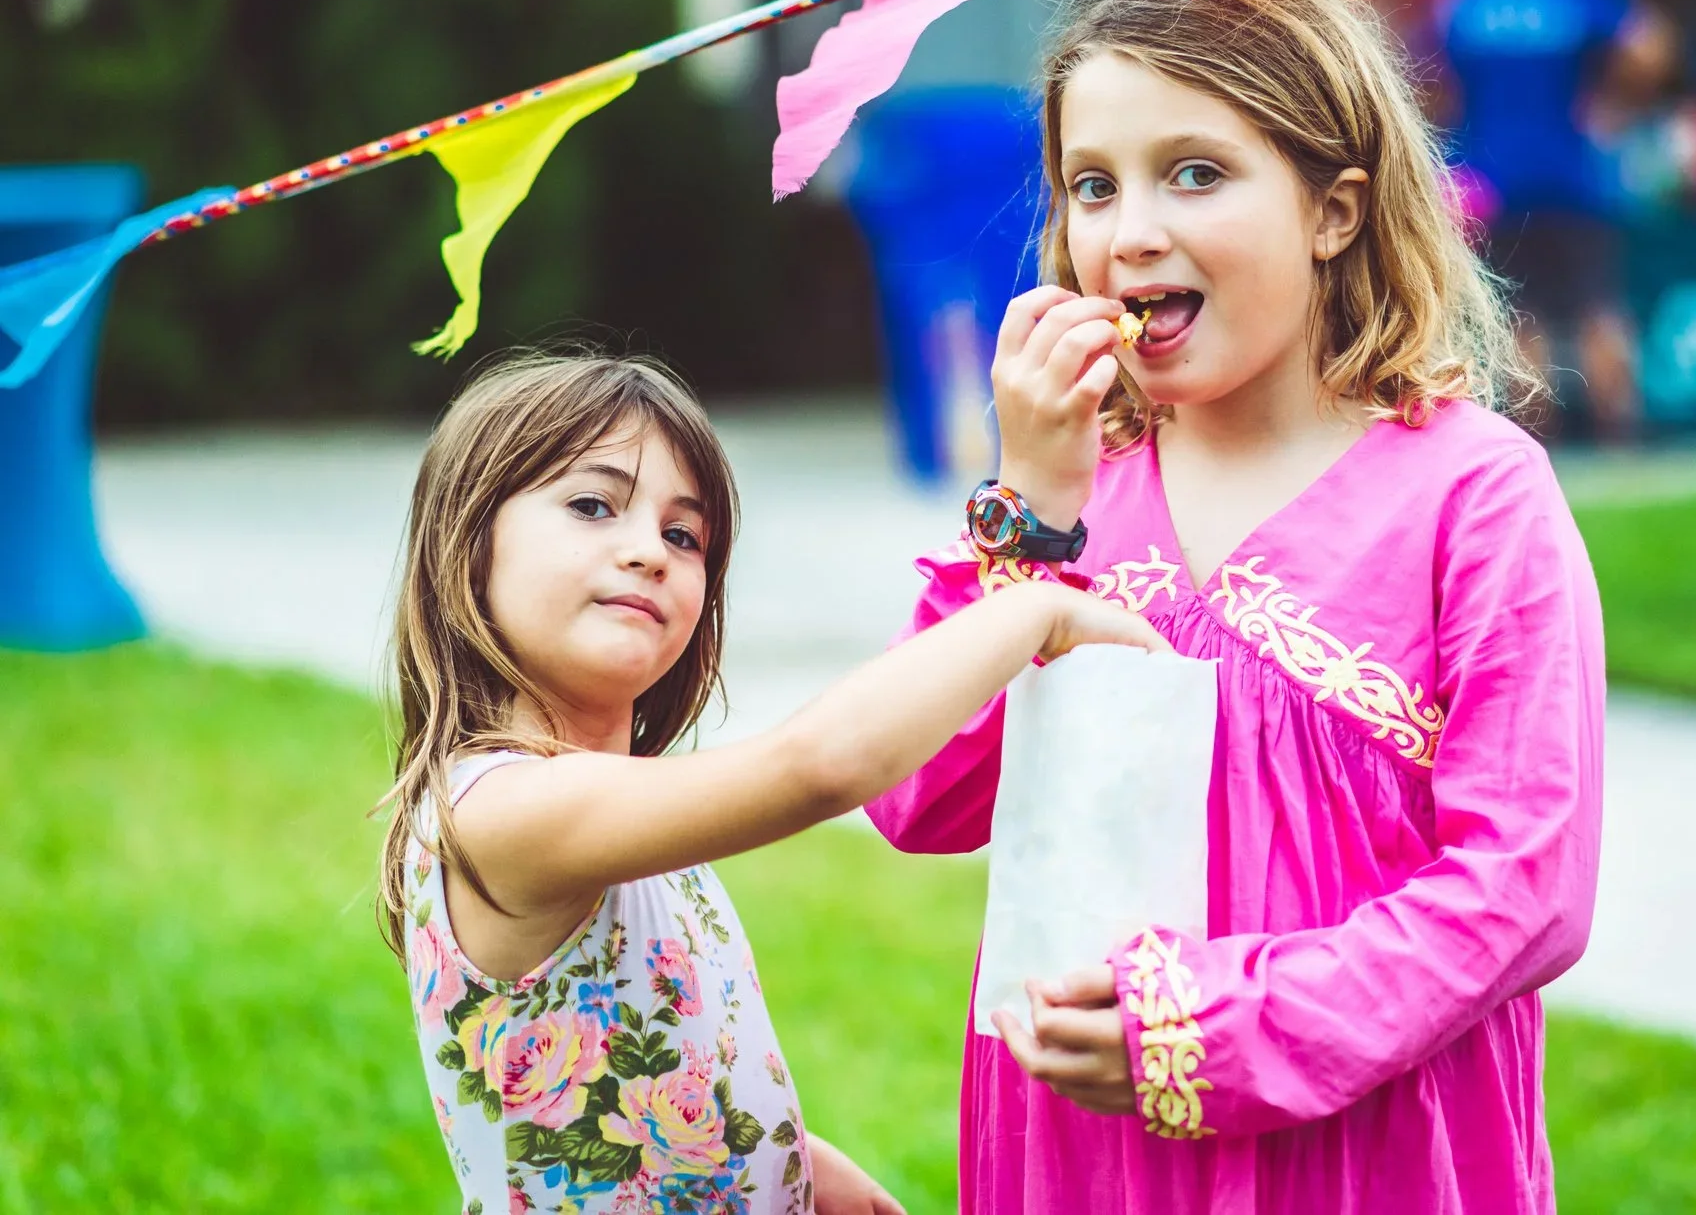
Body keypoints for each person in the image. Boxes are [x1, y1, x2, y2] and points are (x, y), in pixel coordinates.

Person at [866, 0, 1606, 1214]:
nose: (1130, 230)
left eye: (1194, 172)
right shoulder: (1070, 495)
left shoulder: (1470, 495)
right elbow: (918, 796)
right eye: (1089, 186)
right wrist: (1026, 514)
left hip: (1363, 1151)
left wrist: (1217, 1030)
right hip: (1087, 1157)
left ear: (1335, 209)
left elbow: (1522, 885)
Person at [377, 349, 1166, 1215]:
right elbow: (821, 767)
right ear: (466, 543)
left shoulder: (614, 807)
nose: (647, 551)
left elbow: (640, 1080)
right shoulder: (501, 811)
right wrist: (1029, 607)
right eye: (593, 506)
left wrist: (797, 1165)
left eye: (684, 534)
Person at [1435, 0, 1673, 436]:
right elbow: (1651, 42)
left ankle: (1539, 442)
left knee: (1521, 314)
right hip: (1574, 173)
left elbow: (1433, 83)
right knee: (1598, 304)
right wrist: (1618, 104)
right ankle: (1621, 437)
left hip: (1494, 179)